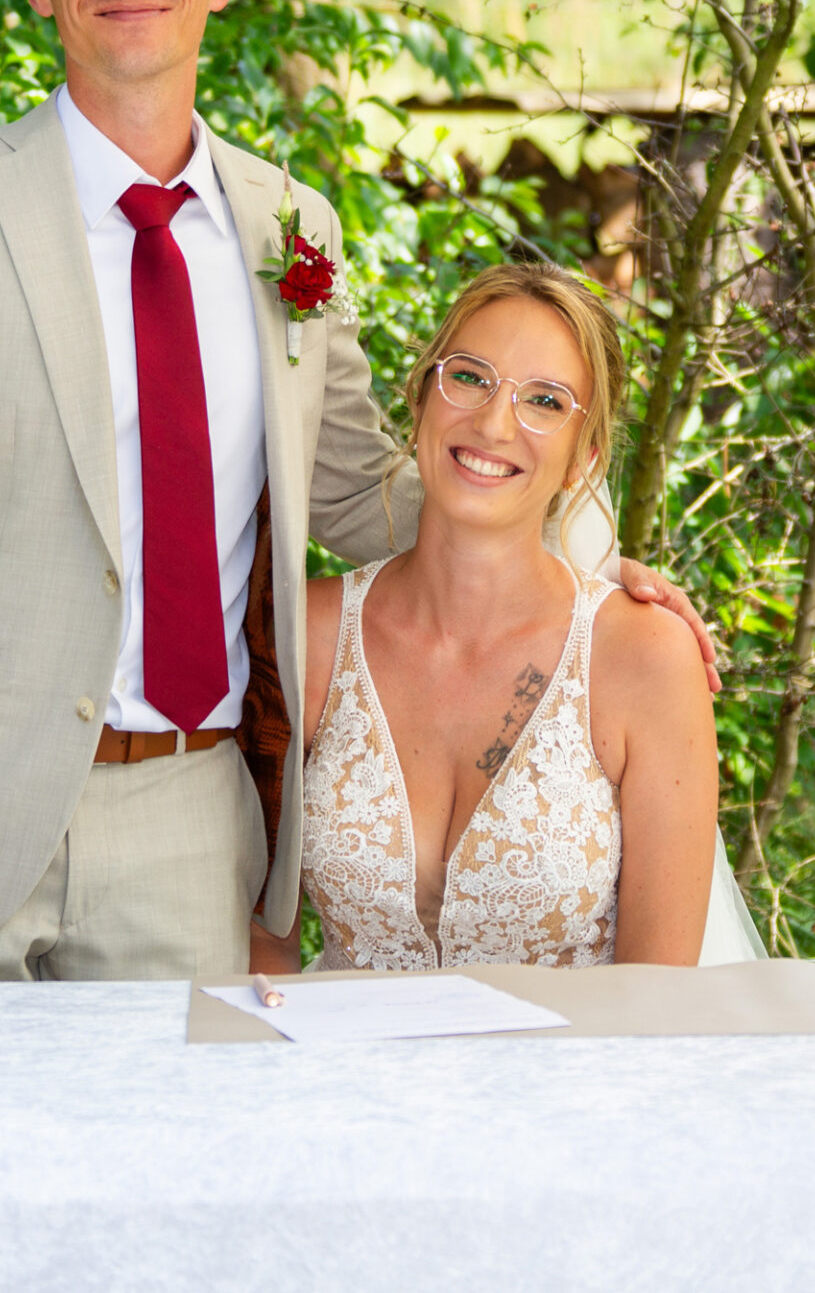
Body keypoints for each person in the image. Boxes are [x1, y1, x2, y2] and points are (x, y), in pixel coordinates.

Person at [0, 0, 714, 983]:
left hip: (191, 821)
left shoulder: (289, 226)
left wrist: (586, 575)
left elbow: (363, 492)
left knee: (187, 1110)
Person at [288, 263, 756, 970]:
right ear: (421, 396)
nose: (494, 422)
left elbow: (658, 994)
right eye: (469, 377)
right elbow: (262, 936)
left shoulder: (644, 657)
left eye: (544, 400)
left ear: (582, 459)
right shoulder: (309, 635)